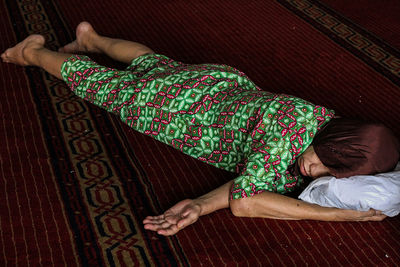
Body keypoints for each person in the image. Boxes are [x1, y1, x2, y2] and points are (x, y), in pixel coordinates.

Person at [2, 22, 399, 236]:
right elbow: (247, 202)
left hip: (218, 84)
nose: (315, 170)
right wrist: (334, 217)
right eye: (321, 160)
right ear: (328, 141)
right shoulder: (282, 149)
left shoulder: (321, 116)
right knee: (105, 85)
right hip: (179, 109)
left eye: (330, 171)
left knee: (153, 61)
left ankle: (92, 37)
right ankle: (32, 52)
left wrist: (200, 204)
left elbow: (255, 182)